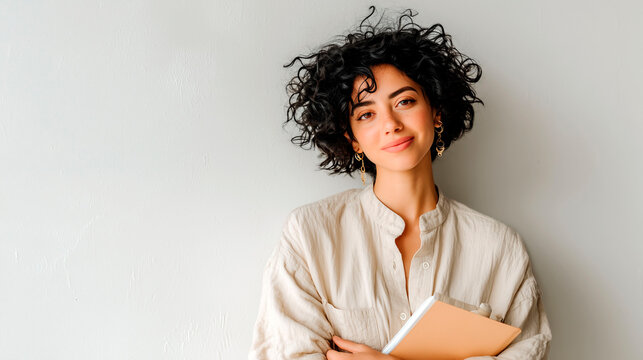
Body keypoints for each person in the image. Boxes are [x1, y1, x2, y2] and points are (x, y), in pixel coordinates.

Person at [249, 6, 552, 360]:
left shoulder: (501, 250)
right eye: (367, 114)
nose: (390, 123)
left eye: (405, 101)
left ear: (436, 112)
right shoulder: (310, 235)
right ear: (353, 139)